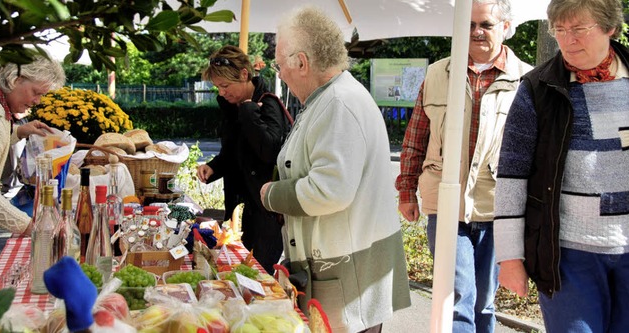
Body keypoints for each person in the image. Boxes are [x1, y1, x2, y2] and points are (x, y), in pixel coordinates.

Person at [260, 6, 411, 333]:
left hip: (349, 285)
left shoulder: (340, 103)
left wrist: (272, 195)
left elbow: (329, 191)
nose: (280, 73)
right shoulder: (327, 99)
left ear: (301, 62)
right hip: (340, 278)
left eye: (279, 64)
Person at [493, 0, 629, 331]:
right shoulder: (537, 89)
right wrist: (510, 258)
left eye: (579, 29)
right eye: (560, 31)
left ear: (610, 28)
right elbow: (512, 177)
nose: (568, 40)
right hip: (567, 257)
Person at [395, 0, 532, 331]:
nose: (475, 32)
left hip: (497, 208)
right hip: (445, 206)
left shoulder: (528, 80)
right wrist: (406, 191)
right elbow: (415, 138)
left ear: (506, 27)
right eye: (468, 25)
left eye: (485, 24)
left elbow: (535, 153)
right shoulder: (438, 73)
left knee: (484, 302)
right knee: (458, 298)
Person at [197, 45, 289, 275]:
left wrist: (249, 113)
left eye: (225, 86)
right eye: (218, 87)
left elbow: (270, 152)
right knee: (243, 271)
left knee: (259, 275)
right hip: (247, 208)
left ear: (244, 75)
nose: (221, 93)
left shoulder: (269, 104)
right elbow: (233, 153)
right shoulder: (231, 106)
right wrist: (213, 167)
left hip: (269, 213)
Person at [0, 54, 66, 234]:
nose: (37, 101)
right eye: (36, 92)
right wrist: (28, 226)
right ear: (15, 80)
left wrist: (19, 132)